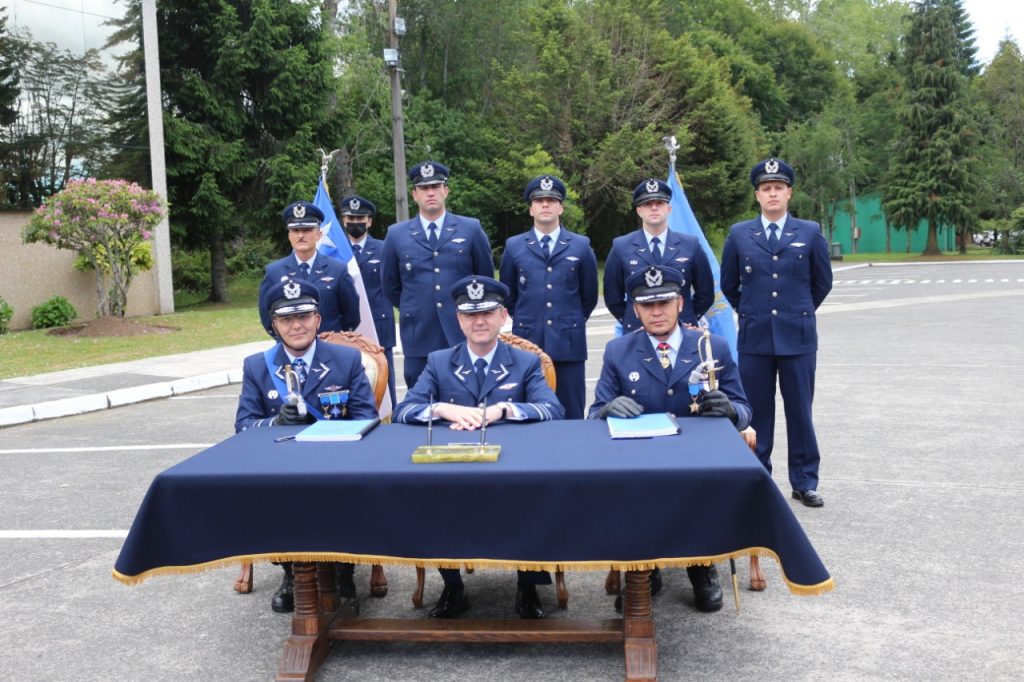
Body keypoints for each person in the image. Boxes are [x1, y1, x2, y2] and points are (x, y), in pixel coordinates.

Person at [393, 275, 565, 620]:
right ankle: (452, 586)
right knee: (431, 500)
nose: (480, 321)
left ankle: (528, 585)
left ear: (503, 316)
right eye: (471, 315)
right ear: (459, 321)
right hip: (453, 464)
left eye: (488, 312)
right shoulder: (440, 361)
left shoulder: (525, 362)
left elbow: (553, 409)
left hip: (511, 466)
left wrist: (503, 410)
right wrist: (442, 408)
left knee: (530, 498)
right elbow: (403, 411)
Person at [589, 265, 751, 614]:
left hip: (697, 455)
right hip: (640, 458)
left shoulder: (713, 347)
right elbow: (594, 413)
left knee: (704, 489)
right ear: (635, 309)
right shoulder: (619, 350)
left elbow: (745, 409)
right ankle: (645, 568)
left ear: (680, 303)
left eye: (664, 302)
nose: (656, 311)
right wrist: (608, 409)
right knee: (631, 492)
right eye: (647, 305)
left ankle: (702, 565)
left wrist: (731, 411)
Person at [235, 278, 378, 614]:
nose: (296, 325)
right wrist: (275, 423)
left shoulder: (346, 360)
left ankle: (343, 572)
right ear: (273, 324)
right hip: (282, 462)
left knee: (339, 492)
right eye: (286, 319)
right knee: (274, 493)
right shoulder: (257, 366)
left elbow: (366, 417)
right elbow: (243, 425)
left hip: (337, 460)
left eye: (303, 316)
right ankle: (291, 572)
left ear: (318, 319)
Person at [720, 158, 833, 507]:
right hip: (755, 337)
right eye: (766, 189)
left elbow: (822, 282)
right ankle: (759, 477)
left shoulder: (809, 232)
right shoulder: (740, 234)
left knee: (800, 411)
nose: (772, 194)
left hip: (797, 337)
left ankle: (804, 481)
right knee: (757, 412)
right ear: (757, 195)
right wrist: (753, 312)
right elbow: (729, 284)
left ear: (789, 193)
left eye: (778, 188)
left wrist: (797, 311)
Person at [381, 161, 493, 389]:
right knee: (422, 403)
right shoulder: (396, 235)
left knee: (468, 398)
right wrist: (417, 306)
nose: (430, 192)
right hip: (419, 335)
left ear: (446, 190)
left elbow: (485, 279)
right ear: (414, 194)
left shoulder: (470, 229)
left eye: (435, 186)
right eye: (423, 188)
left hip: (462, 333)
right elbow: (391, 286)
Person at [499, 174, 598, 419]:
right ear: (531, 209)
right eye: (539, 200)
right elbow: (508, 294)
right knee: (529, 409)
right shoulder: (514, 246)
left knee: (572, 411)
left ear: (561, 207)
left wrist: (569, 322)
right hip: (529, 343)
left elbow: (589, 296)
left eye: (551, 200)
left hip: (568, 343)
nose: (545, 204)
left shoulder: (580, 245)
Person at [603, 178, 714, 333]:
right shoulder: (621, 247)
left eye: (659, 203)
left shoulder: (690, 245)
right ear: (639, 211)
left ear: (669, 208)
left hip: (682, 330)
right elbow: (612, 298)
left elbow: (705, 294)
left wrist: (686, 318)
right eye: (648, 204)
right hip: (638, 331)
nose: (654, 208)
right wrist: (632, 320)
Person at [258, 201, 361, 337]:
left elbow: (351, 315)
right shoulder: (274, 272)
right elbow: (267, 316)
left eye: (307, 230)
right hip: (292, 349)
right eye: (295, 230)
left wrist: (337, 339)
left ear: (319, 234)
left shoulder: (337, 270)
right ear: (289, 236)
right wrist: (285, 341)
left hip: (330, 348)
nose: (301, 235)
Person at [339, 194, 397, 407]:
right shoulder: (336, 251)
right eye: (350, 219)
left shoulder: (384, 249)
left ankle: (390, 423)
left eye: (360, 219)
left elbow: (394, 284)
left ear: (369, 221)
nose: (355, 224)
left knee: (384, 379)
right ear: (344, 221)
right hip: (347, 328)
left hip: (379, 324)